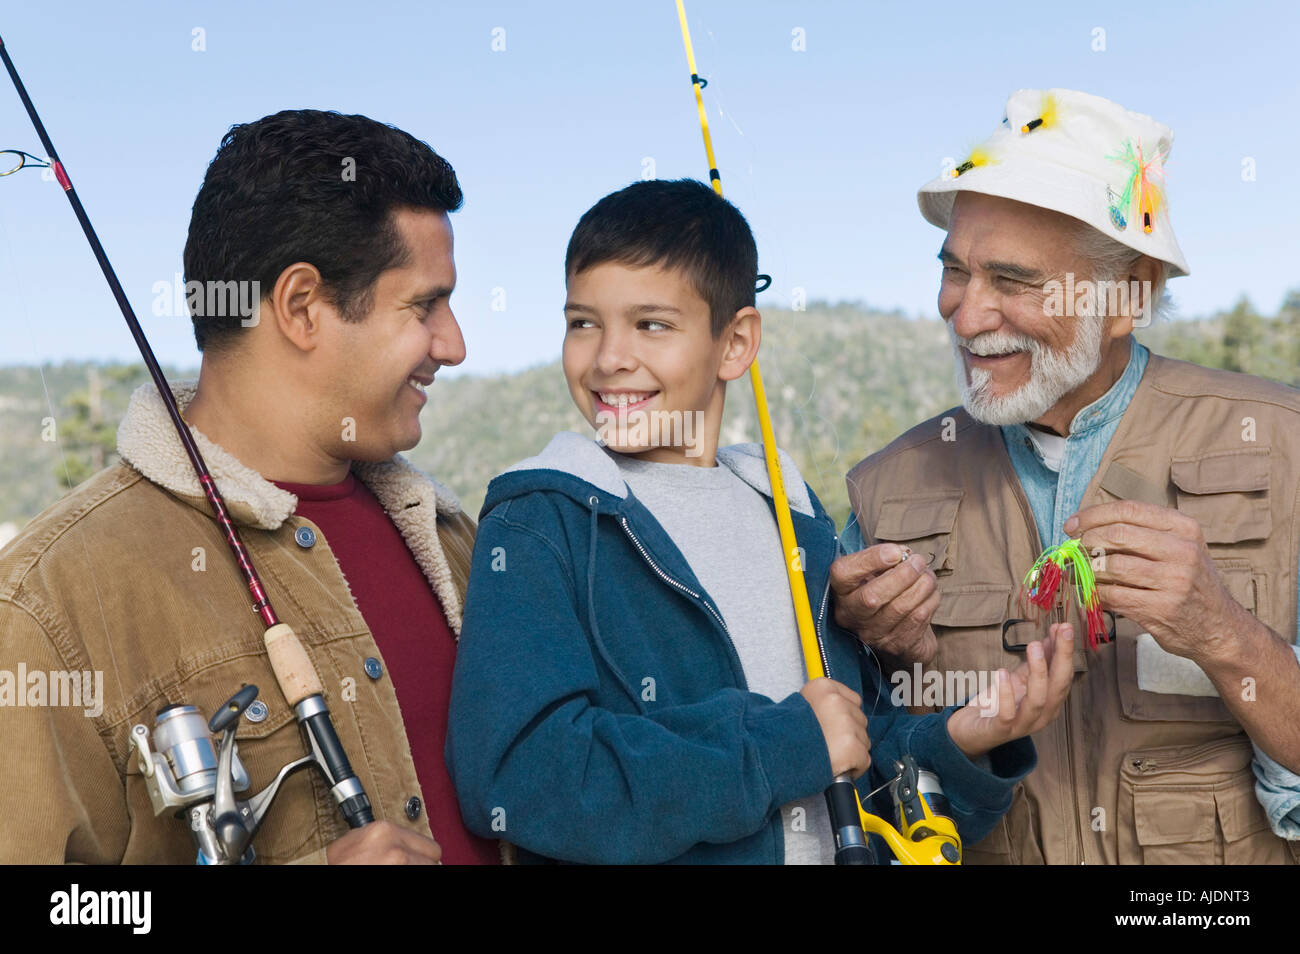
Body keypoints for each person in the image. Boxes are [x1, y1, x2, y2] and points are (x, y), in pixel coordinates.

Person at [445, 178, 1074, 864]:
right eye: (582, 322)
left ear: (736, 343)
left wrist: (961, 741)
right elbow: (519, 777)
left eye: (651, 324)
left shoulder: (796, 522)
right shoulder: (540, 519)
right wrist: (781, 746)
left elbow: (849, 750)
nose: (607, 357)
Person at [0, 109, 497, 864]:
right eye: (425, 305)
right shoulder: (46, 605)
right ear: (301, 307)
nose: (454, 345)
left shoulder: (463, 544)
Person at [836, 88, 1300, 864]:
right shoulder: (884, 488)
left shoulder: (1287, 448)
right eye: (954, 270)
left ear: (1130, 296)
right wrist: (881, 655)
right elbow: (857, 775)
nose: (965, 312)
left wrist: (1225, 634)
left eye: (1012, 281)